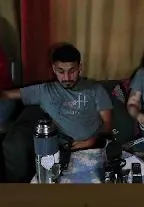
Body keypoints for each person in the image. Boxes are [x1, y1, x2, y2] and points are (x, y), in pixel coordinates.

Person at [0, 44, 112, 182]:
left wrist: (92, 141)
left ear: (80, 68)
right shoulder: (44, 91)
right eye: (61, 71)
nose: (67, 77)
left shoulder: (95, 89)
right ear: (54, 69)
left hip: (94, 148)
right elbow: (6, 95)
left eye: (72, 71)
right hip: (61, 153)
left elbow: (107, 123)